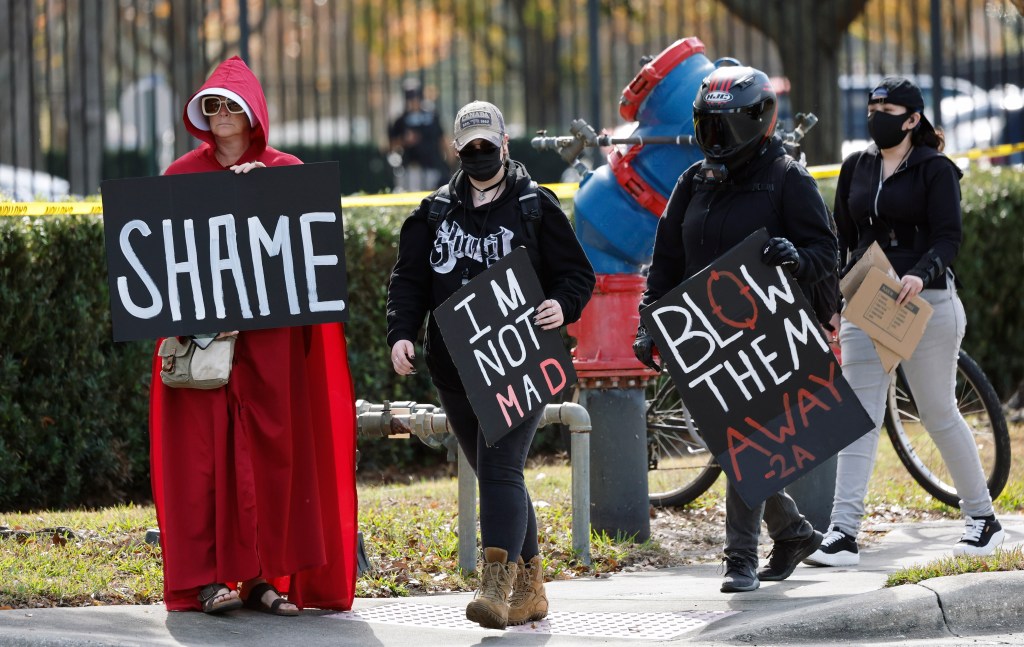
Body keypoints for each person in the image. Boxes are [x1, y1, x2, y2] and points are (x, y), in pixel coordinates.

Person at [150, 56, 359, 615]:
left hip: (270, 347)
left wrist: (274, 192)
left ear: (252, 113)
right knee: (202, 459)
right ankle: (209, 578)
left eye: (230, 105)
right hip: (202, 342)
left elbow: (309, 260)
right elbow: (162, 266)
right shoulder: (179, 177)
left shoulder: (285, 168)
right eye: (210, 105)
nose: (219, 115)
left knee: (272, 456)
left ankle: (266, 579)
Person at [386, 100, 595, 629]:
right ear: (458, 149)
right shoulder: (433, 212)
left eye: (488, 145)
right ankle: (533, 587)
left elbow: (577, 275)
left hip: (517, 361)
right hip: (453, 368)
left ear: (505, 144)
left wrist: (561, 305)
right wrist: (401, 335)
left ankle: (496, 586)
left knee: (500, 468)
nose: (480, 154)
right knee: (495, 474)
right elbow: (408, 281)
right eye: (470, 146)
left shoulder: (534, 207)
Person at [633, 65, 834, 593]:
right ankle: (791, 531)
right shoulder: (692, 181)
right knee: (735, 443)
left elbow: (826, 253)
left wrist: (795, 256)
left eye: (727, 128)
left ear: (759, 121)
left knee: (742, 440)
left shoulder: (788, 177)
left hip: (770, 336)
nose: (715, 141)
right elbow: (666, 260)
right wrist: (648, 323)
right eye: (708, 128)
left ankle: (739, 559)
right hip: (705, 339)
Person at [805, 76, 1004, 567]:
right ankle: (843, 533)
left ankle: (983, 520)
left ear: (913, 119)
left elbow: (947, 237)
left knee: (937, 412)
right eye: (872, 106)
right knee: (858, 416)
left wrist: (918, 275)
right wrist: (832, 301)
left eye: (887, 107)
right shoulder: (857, 166)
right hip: (868, 302)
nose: (876, 114)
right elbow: (842, 242)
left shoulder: (935, 169)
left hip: (927, 305)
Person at [388, 78, 450, 191]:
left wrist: (449, 156)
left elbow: (441, 137)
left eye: (415, 98)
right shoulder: (401, 119)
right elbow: (390, 145)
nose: (413, 101)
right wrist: (404, 140)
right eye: (410, 98)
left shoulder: (431, 116)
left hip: (432, 165)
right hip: (411, 167)